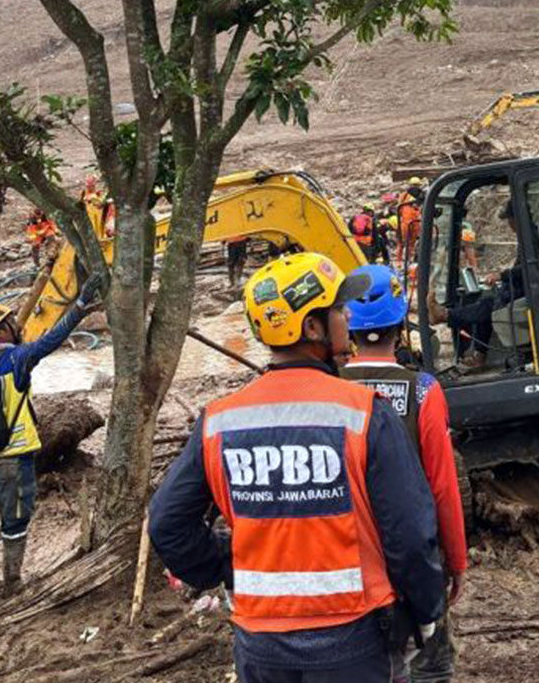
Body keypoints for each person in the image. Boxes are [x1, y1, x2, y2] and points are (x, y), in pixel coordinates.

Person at [147, 253, 446, 683]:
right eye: (338, 309)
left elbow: (166, 522)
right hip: (354, 638)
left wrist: (225, 566)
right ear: (312, 327)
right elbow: (410, 532)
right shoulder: (363, 414)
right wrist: (425, 609)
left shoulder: (219, 421)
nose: (347, 317)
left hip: (261, 646)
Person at [341, 265, 468, 683]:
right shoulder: (424, 391)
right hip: (413, 561)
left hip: (347, 562)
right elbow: (443, 488)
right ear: (401, 322)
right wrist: (455, 560)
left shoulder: (327, 388)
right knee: (428, 667)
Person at [0, 272, 102, 605]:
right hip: (13, 458)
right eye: (10, 322)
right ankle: (12, 583)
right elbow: (51, 340)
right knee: (15, 521)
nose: (16, 325)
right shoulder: (17, 359)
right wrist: (79, 306)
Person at [427, 201, 524, 369]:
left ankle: (445, 315)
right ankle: (479, 354)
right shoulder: (528, 238)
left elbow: (529, 269)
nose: (509, 224)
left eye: (509, 219)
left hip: (526, 293)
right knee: (487, 301)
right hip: (521, 290)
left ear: (516, 219)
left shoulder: (532, 239)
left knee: (487, 305)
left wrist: (502, 275)